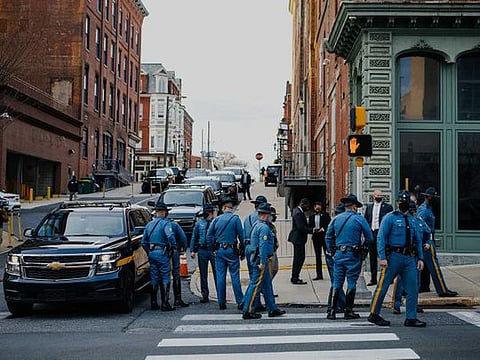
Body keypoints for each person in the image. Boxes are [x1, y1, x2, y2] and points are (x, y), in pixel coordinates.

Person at [368, 190, 426, 328]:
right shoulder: (390, 218)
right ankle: (374, 314)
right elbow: (381, 237)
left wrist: (420, 258)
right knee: (383, 286)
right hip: (393, 257)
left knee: (412, 288)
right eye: (401, 202)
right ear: (397, 203)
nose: (403, 204)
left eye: (406, 202)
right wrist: (382, 257)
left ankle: (411, 317)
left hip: (409, 258)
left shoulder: (413, 219)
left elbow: (417, 240)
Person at [325, 194, 373, 320]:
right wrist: (363, 249)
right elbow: (370, 237)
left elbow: (328, 236)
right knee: (351, 282)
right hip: (353, 254)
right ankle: (348, 310)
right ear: (354, 207)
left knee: (337, 282)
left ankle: (332, 311)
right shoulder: (359, 219)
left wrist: (332, 250)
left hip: (339, 255)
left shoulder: (336, 219)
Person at [242, 203, 286, 319]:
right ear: (265, 215)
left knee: (267, 285)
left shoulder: (257, 225)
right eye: (270, 215)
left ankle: (272, 308)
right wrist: (262, 261)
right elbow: (263, 245)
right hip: (260, 260)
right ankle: (248, 310)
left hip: (259, 258)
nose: (271, 217)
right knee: (255, 285)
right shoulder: (264, 228)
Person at [417, 187, 458, 297]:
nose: (435, 199)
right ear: (428, 197)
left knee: (425, 267)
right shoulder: (424, 210)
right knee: (434, 267)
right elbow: (420, 226)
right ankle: (442, 290)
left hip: (428, 239)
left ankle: (423, 286)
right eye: (433, 197)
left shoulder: (428, 208)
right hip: (427, 240)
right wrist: (425, 242)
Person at [206, 197, 245, 310]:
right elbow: (241, 236)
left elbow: (209, 236)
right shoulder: (235, 219)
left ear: (223, 208)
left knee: (220, 276)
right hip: (232, 250)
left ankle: (221, 302)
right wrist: (242, 250)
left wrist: (212, 248)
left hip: (219, 251)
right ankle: (239, 301)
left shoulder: (216, 220)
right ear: (231, 208)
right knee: (235, 276)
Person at [392, 201, 426, 314]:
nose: (412, 212)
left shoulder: (420, 222)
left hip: (415, 254)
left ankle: (413, 305)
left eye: (413, 210)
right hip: (406, 255)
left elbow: (427, 234)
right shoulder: (402, 220)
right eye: (411, 210)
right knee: (401, 282)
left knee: (415, 282)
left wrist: (428, 243)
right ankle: (396, 304)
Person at [141, 202, 177, 311]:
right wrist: (174, 247)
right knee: (166, 276)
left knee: (154, 277)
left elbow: (143, 242)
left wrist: (149, 252)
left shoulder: (149, 225)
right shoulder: (166, 224)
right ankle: (165, 303)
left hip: (152, 253)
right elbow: (170, 236)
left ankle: (153, 302)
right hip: (162, 252)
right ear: (164, 212)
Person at [244, 195, 268, 311]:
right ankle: (253, 304)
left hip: (248, 247)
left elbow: (243, 235)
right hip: (258, 250)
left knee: (254, 276)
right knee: (256, 279)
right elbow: (263, 242)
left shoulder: (248, 218)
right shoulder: (262, 222)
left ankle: (268, 306)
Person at [363, 189, 393, 286]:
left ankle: (388, 278)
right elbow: (366, 220)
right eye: (377, 195)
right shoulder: (369, 207)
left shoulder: (387, 207)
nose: (379, 197)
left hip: (382, 234)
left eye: (381, 195)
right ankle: (373, 278)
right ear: (373, 196)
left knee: (385, 256)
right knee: (372, 257)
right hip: (372, 233)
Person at [190, 203, 217, 303]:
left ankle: (220, 294)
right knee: (203, 273)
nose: (209, 214)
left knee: (216, 272)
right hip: (202, 250)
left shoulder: (215, 222)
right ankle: (205, 294)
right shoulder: (200, 223)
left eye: (210, 212)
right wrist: (193, 250)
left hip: (212, 249)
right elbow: (194, 236)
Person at [324, 203, 347, 316]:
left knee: (336, 281)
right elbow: (328, 238)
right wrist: (332, 252)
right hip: (334, 255)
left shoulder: (334, 222)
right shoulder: (337, 223)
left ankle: (340, 304)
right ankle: (335, 306)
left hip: (332, 254)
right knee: (336, 282)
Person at [288, 198, 314, 285]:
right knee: (299, 259)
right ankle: (295, 277)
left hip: (297, 239)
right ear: (302, 204)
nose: (307, 208)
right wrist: (312, 230)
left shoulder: (296, 211)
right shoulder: (298, 213)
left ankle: (295, 276)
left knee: (298, 258)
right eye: (307, 206)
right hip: (298, 239)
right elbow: (301, 228)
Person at [308, 201, 331, 280]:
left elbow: (329, 224)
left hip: (324, 237)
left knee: (327, 255)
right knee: (318, 257)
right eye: (316, 207)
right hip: (316, 238)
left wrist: (323, 229)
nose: (317, 209)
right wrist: (314, 230)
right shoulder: (311, 216)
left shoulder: (325, 215)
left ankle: (331, 273)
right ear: (314, 208)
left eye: (319, 207)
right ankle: (319, 275)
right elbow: (310, 226)